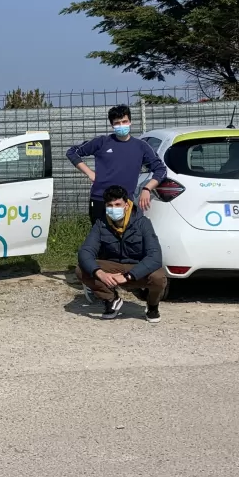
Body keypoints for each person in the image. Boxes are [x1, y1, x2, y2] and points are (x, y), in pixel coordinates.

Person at [76, 185, 167, 323]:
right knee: (81, 269)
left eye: (118, 204)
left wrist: (128, 276)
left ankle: (152, 306)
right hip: (113, 267)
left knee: (159, 277)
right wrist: (100, 273)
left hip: (137, 268)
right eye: (110, 205)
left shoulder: (143, 223)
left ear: (126, 204)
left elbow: (155, 257)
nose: (114, 208)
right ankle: (111, 300)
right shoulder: (101, 224)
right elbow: (85, 252)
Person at [66, 103, 166, 224]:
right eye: (117, 123)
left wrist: (147, 188)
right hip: (99, 199)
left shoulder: (141, 147)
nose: (121, 125)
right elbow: (72, 152)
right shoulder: (102, 142)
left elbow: (161, 169)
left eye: (124, 121)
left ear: (130, 122)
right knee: (100, 237)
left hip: (124, 202)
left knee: (124, 238)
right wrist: (89, 173)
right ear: (112, 125)